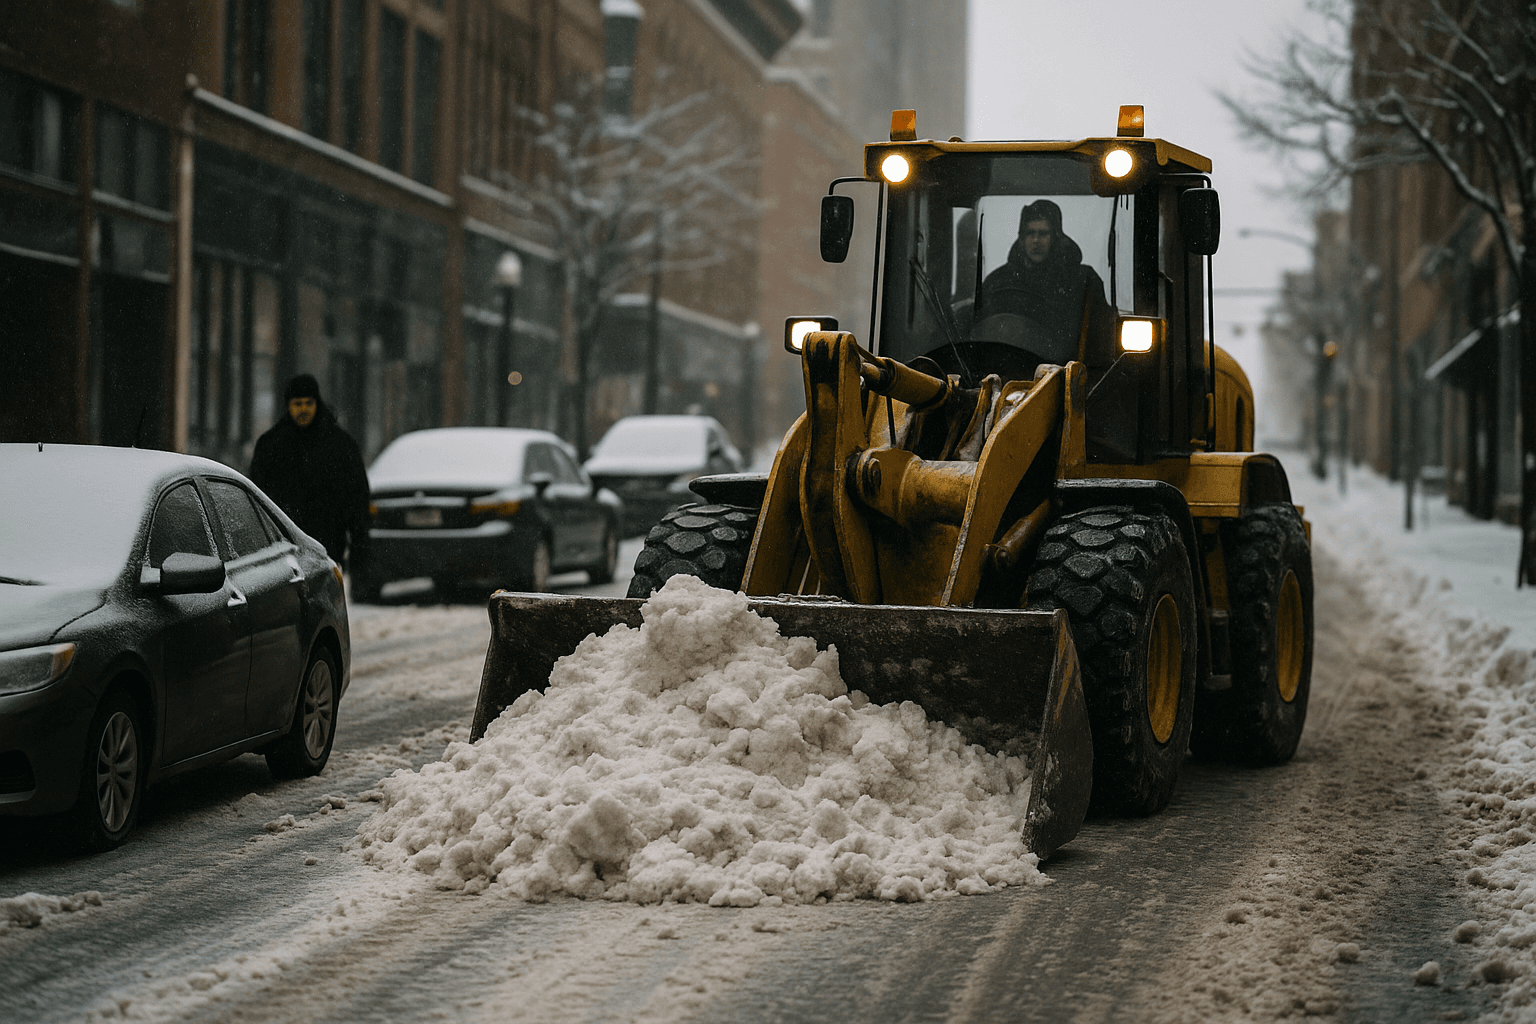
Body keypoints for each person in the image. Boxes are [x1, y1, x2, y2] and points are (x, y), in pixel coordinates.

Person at [249, 374, 371, 573]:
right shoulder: (271, 446)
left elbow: (356, 496)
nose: (304, 409)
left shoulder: (340, 445)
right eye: (298, 404)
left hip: (327, 547)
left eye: (308, 403)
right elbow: (258, 498)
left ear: (317, 403)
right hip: (283, 549)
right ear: (288, 406)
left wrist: (359, 541)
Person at [976, 199, 1115, 365]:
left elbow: (1102, 340)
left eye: (1043, 234)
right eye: (1030, 233)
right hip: (1004, 371)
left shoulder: (1082, 281)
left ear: (1055, 237)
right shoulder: (997, 282)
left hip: (1066, 374)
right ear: (1021, 238)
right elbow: (981, 334)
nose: (1036, 240)